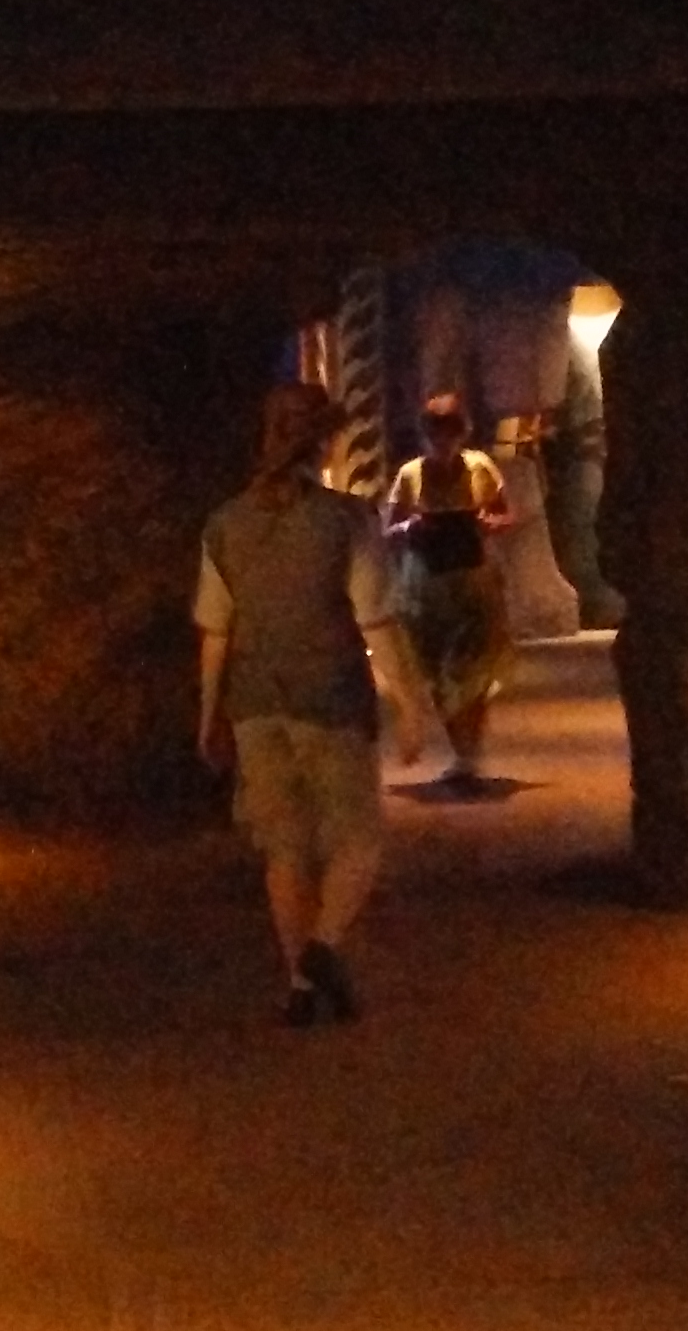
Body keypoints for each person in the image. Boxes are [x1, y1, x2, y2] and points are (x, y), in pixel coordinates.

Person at [197, 380, 423, 1023]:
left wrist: (207, 716)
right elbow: (376, 619)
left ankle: (299, 987)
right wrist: (407, 703)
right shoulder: (346, 520)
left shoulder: (225, 525)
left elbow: (216, 631)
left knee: (285, 848)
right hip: (330, 697)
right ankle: (323, 947)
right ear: (321, 444)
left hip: (253, 704)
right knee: (357, 841)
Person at [382, 391, 516, 794]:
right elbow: (388, 528)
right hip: (427, 581)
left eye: (451, 429)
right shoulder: (410, 474)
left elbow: (506, 512)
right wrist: (412, 528)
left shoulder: (480, 467)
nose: (443, 438)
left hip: (472, 577)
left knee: (473, 666)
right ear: (425, 432)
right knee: (438, 668)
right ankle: (463, 752)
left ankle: (467, 753)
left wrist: (489, 523)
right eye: (436, 429)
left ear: (463, 431)